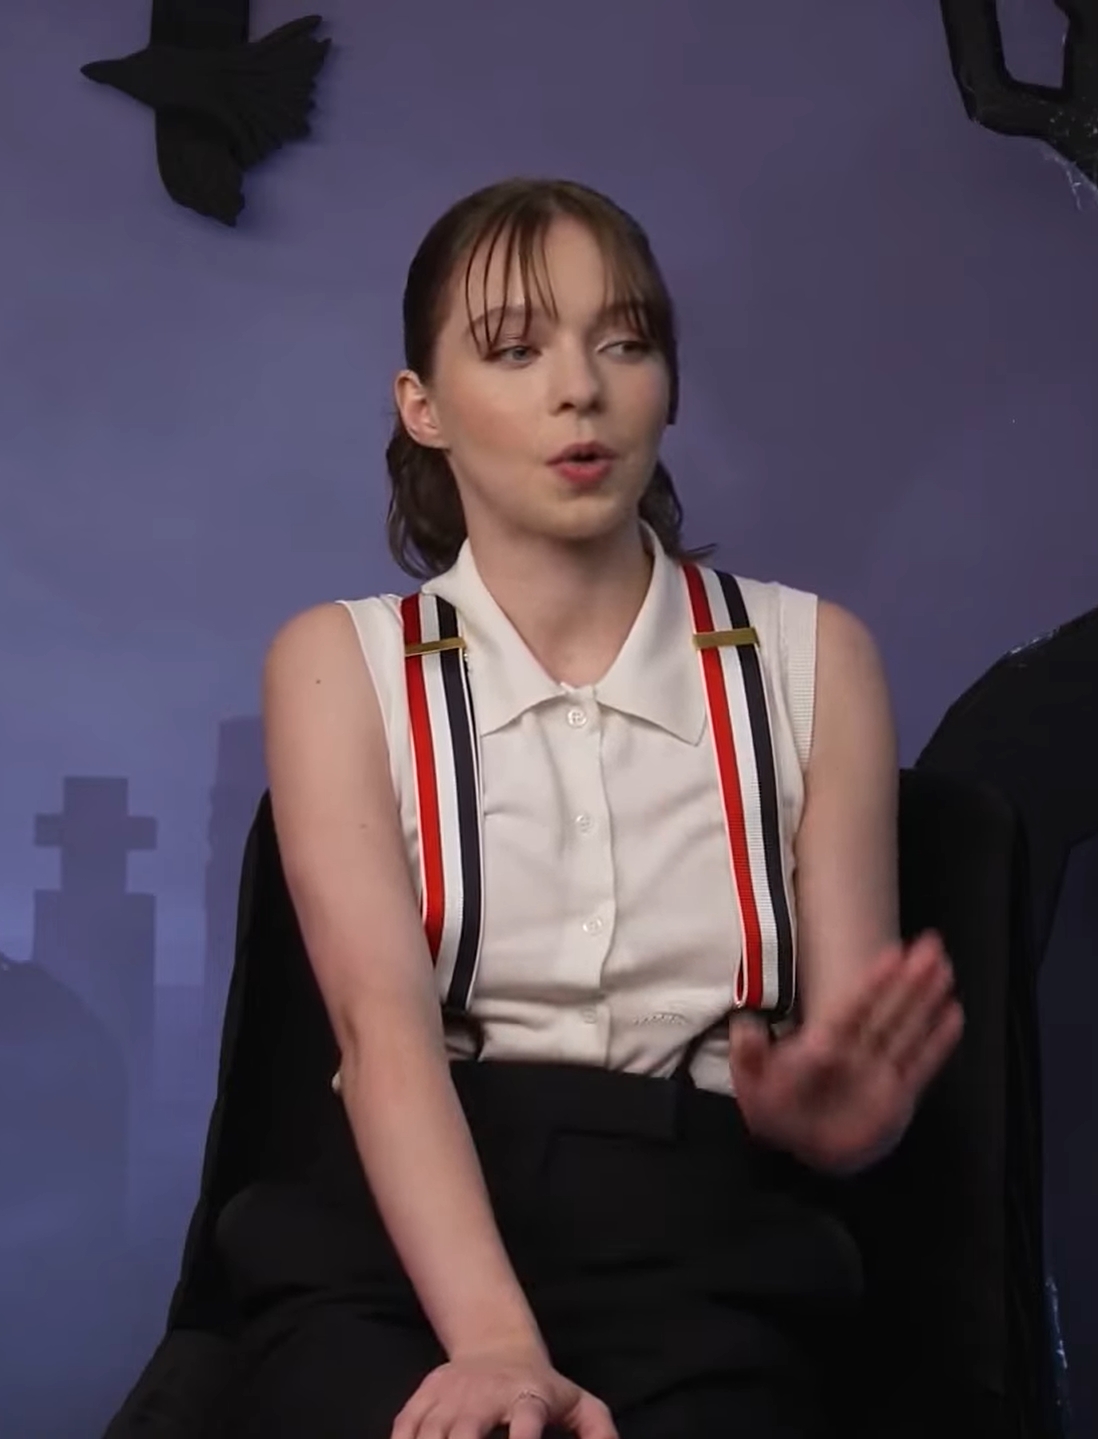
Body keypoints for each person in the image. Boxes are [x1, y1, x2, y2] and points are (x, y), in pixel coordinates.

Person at [219, 177, 964, 1439]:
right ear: (422, 405)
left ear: (666, 383)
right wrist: (497, 1345)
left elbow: (848, 1049)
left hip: (708, 1252)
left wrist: (834, 1119)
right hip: (396, 1256)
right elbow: (381, 1029)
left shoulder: (814, 658)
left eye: (624, 342)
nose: (582, 388)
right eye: (516, 349)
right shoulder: (340, 662)